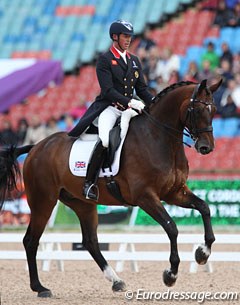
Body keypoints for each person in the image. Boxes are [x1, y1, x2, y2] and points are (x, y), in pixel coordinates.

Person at [68, 20, 155, 200]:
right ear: (115, 37)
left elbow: (142, 90)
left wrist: (155, 103)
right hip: (110, 107)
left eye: (130, 37)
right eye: (125, 36)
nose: (128, 40)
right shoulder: (105, 60)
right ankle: (89, 183)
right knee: (106, 140)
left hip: (129, 109)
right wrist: (130, 102)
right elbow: (108, 91)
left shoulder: (134, 61)